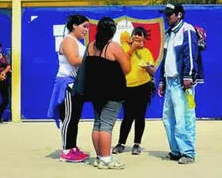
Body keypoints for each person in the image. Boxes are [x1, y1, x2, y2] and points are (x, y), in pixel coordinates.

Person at [158, 3, 203, 165]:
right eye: (166, 14)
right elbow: (165, 59)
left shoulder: (187, 30)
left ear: (179, 15)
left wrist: (188, 76)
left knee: (184, 117)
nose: (167, 17)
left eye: (170, 14)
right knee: (168, 118)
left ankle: (188, 152)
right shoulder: (169, 34)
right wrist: (162, 80)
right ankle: (176, 150)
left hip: (182, 82)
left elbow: (190, 55)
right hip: (170, 83)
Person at [84, 17, 130, 170]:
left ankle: (99, 157)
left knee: (98, 123)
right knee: (107, 125)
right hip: (112, 91)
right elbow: (127, 68)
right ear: (113, 31)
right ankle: (106, 159)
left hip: (95, 91)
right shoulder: (114, 47)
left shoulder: (91, 46)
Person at [47, 14, 91, 163]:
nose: (86, 30)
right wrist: (93, 60)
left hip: (76, 84)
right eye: (84, 26)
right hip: (67, 84)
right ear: (74, 25)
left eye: (87, 27)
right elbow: (74, 60)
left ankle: (72, 147)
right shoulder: (68, 40)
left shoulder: (77, 42)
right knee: (68, 117)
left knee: (75, 118)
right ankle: (66, 150)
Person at [113, 27, 156, 156]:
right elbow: (124, 36)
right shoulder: (125, 47)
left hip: (144, 86)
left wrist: (147, 67)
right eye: (135, 34)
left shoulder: (147, 52)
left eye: (140, 35)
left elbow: (153, 71)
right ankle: (121, 143)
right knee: (127, 117)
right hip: (128, 87)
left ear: (144, 38)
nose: (137, 37)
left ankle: (137, 144)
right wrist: (132, 45)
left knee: (140, 116)